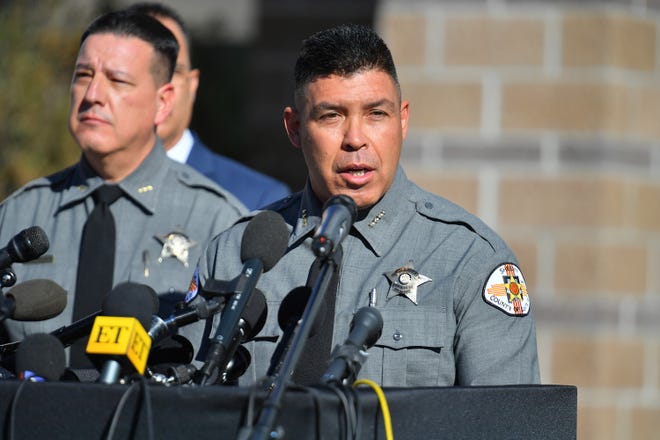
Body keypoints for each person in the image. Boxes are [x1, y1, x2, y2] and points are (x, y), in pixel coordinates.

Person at [192, 24, 540, 387]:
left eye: (376, 114)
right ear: (294, 128)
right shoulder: (236, 255)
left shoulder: (469, 260)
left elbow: (506, 420)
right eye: (331, 116)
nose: (355, 139)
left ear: (402, 120)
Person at [0, 11, 245, 357]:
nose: (93, 94)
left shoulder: (218, 223)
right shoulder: (20, 215)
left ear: (164, 102)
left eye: (117, 80)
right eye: (83, 75)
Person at [124, 2, 291, 211]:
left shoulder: (256, 199)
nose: (158, 89)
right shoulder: (77, 189)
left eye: (171, 72)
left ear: (192, 84)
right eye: (134, 75)